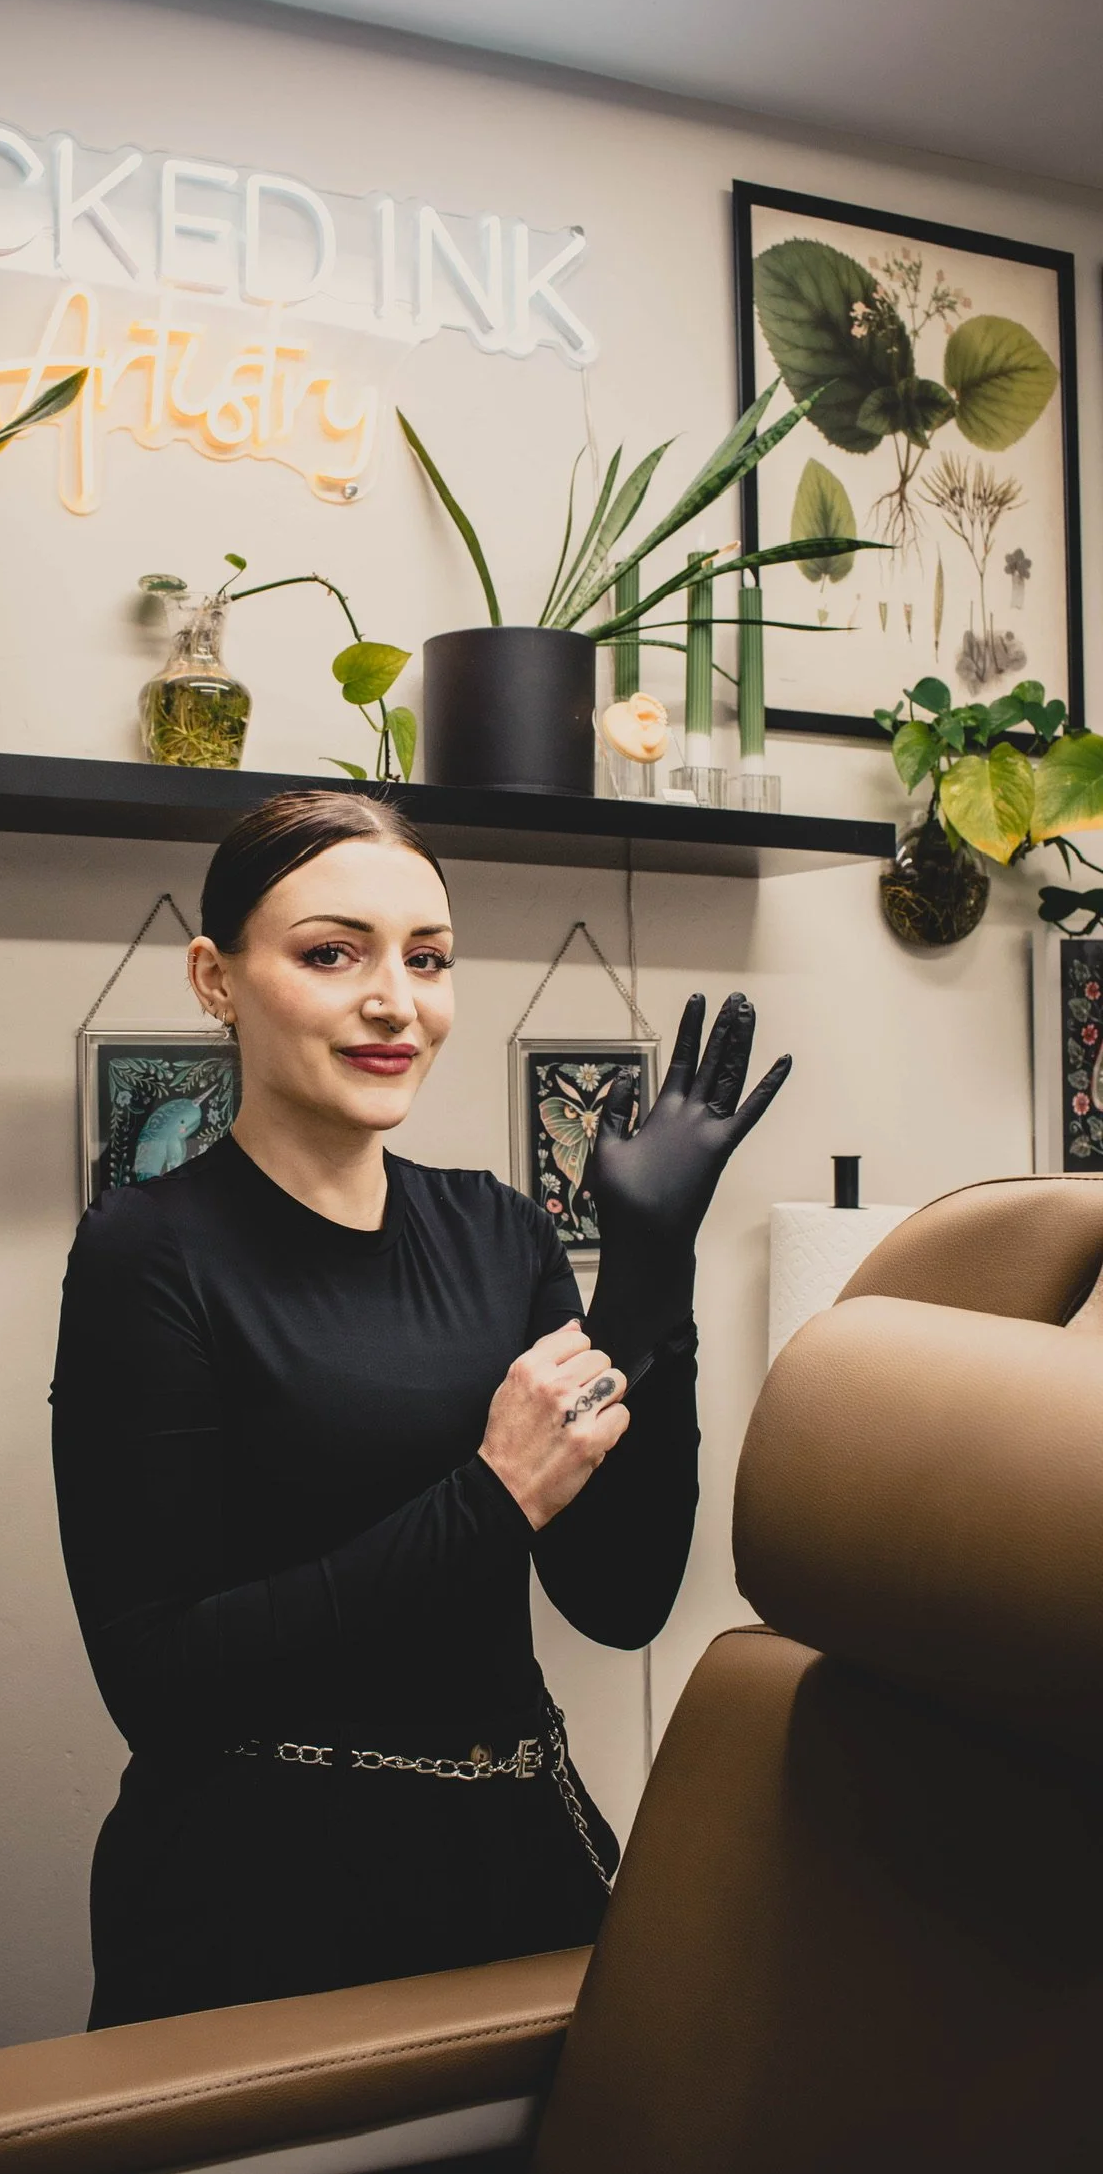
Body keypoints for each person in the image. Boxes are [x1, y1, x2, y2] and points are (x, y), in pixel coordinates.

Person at [51, 790, 789, 2031]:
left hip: (518, 1864)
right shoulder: (149, 1256)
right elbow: (160, 1684)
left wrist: (651, 1276)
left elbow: (620, 1600)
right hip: (255, 1905)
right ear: (215, 977)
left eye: (429, 958)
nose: (397, 1000)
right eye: (332, 953)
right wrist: (491, 1498)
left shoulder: (499, 1231)